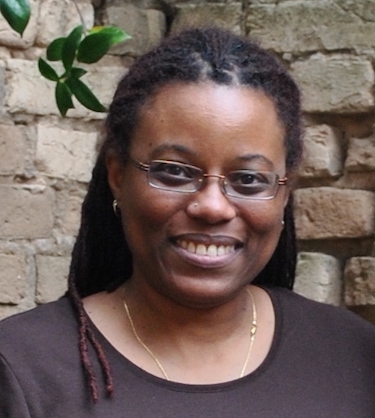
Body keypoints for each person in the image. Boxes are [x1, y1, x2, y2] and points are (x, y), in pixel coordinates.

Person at [1, 27, 375, 418]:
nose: (213, 207)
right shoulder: (23, 370)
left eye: (248, 179)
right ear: (117, 175)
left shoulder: (355, 358)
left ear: (285, 191)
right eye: (174, 172)